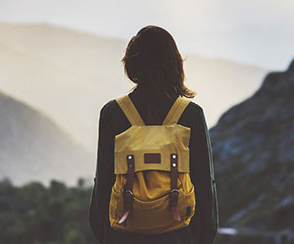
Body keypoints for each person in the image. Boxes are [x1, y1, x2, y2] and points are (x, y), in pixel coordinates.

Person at [88, 25, 219, 244]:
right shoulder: (191, 115)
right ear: (174, 63)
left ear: (132, 63)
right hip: (180, 235)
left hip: (122, 235)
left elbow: (103, 183)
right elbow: (205, 184)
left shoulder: (113, 113)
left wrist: (106, 235)